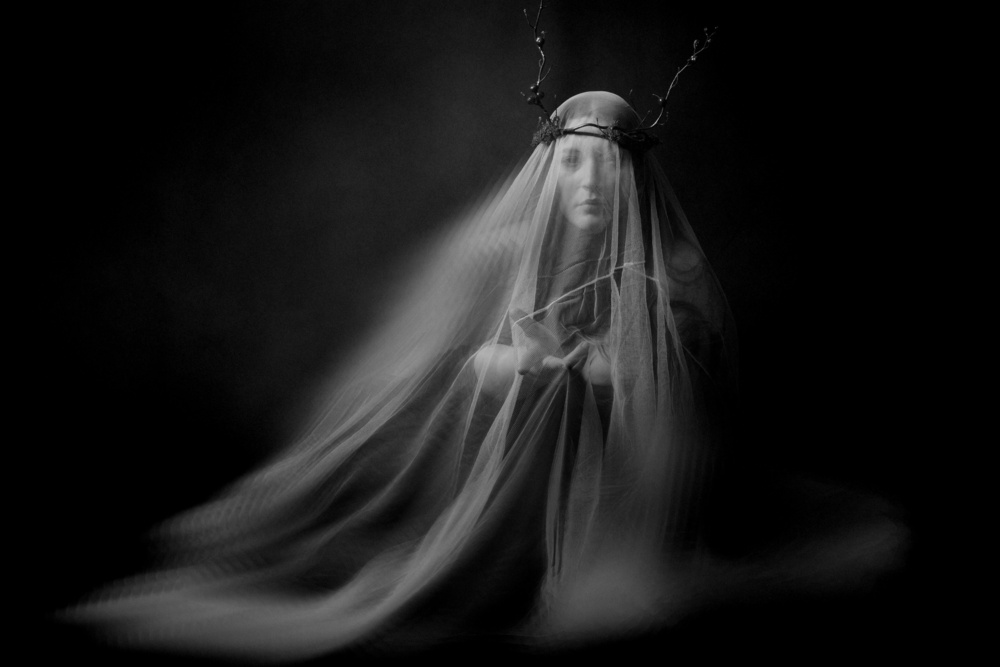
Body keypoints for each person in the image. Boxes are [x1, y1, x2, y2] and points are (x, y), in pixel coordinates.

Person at [62, 91, 899, 661]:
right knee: (521, 382)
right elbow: (452, 367)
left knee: (570, 384)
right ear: (550, 169)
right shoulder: (503, 254)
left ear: (635, 175)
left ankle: (561, 561)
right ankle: (490, 552)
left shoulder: (665, 275)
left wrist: (591, 369)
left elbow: (682, 396)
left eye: (607, 166)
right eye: (572, 163)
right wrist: (514, 363)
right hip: (502, 464)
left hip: (621, 478)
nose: (589, 182)